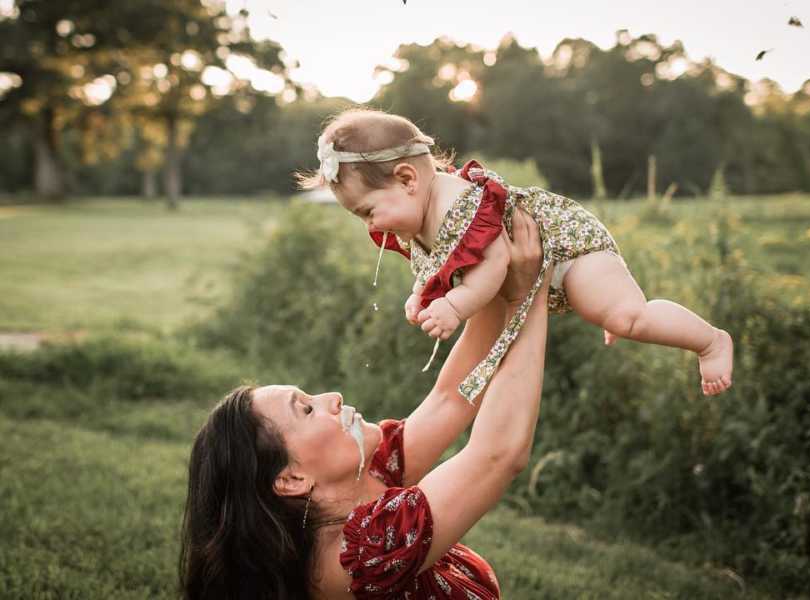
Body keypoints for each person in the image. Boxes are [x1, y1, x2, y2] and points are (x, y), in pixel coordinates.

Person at [179, 210, 550, 599]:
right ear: (291, 479)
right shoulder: (359, 557)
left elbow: (450, 397)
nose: (332, 398)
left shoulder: (365, 470)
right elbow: (496, 456)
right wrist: (528, 296)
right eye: (306, 409)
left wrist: (490, 268)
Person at [302, 108, 733, 400]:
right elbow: (440, 266)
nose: (370, 226)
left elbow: (493, 263)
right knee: (604, 309)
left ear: (407, 178)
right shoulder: (420, 216)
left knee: (626, 317)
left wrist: (453, 306)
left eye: (368, 211)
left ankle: (710, 341)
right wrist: (423, 295)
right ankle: (609, 304)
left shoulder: (457, 204)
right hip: (549, 263)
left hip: (570, 248)